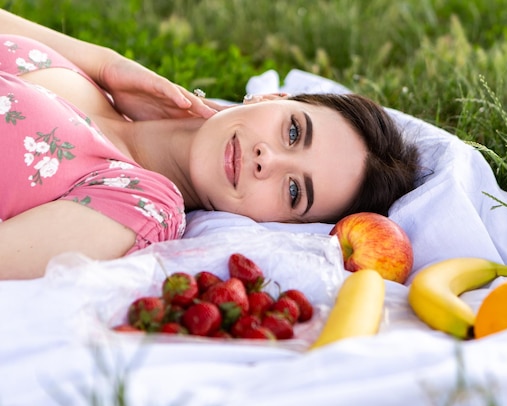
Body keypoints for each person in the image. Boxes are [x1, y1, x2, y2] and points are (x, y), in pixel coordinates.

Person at [0, 9, 419, 280]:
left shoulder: (143, 205)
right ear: (272, 99)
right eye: (293, 131)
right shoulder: (99, 82)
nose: (266, 158)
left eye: (294, 191)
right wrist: (106, 64)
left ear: (278, 224)